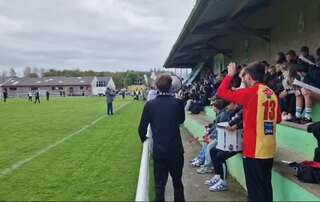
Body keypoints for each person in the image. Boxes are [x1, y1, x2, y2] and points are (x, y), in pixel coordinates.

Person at [217, 62, 281, 202]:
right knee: (266, 187)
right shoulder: (271, 93)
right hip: (269, 148)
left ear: (250, 76)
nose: (243, 79)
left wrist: (229, 75)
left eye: (244, 76)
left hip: (254, 150)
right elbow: (278, 119)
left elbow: (221, 92)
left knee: (255, 192)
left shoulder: (250, 92)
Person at [138, 75, 185, 202]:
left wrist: (144, 140)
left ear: (157, 87)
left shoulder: (150, 105)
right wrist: (180, 102)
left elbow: (141, 128)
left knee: (159, 187)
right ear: (171, 87)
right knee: (177, 183)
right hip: (176, 151)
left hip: (159, 152)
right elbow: (181, 120)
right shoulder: (177, 103)